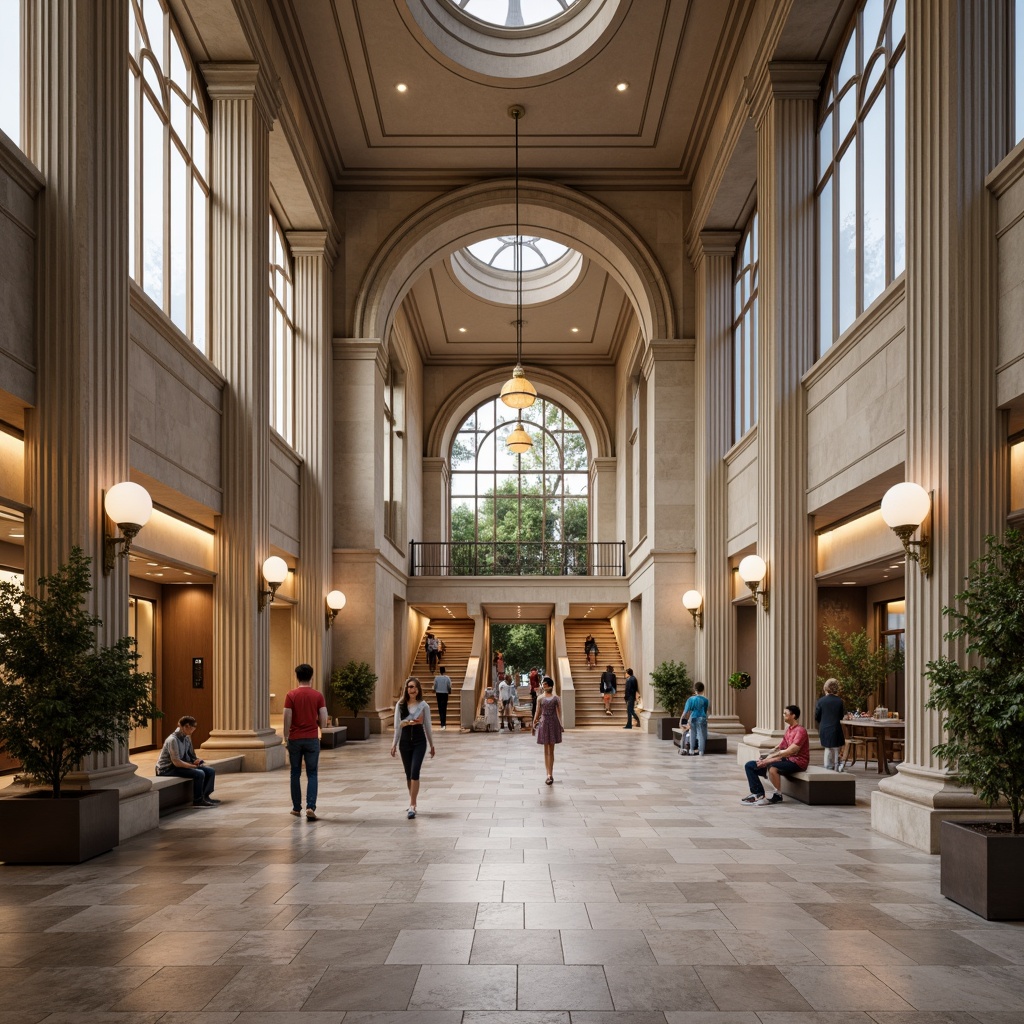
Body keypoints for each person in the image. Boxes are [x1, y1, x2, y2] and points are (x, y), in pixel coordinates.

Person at [283, 662, 329, 821]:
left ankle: (296, 808)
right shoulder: (318, 696)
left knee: (295, 773)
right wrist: (318, 725)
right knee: (312, 773)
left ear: (297, 677)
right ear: (312, 677)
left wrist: (286, 736)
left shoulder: (291, 695)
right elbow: (323, 720)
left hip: (295, 739)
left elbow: (287, 717)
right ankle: (310, 806)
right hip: (311, 739)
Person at [741, 705, 810, 806]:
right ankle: (758, 794)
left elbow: (792, 751)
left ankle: (777, 795)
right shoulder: (789, 729)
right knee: (750, 765)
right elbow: (781, 746)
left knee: (773, 767)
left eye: (785, 714)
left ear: (793, 715)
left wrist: (769, 760)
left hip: (798, 762)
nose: (783, 716)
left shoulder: (801, 731)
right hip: (786, 759)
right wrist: (766, 756)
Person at [391, 677, 435, 818]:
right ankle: (412, 801)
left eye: (415, 687)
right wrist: (393, 744)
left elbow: (427, 726)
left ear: (418, 689)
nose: (412, 689)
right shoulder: (401, 705)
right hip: (404, 743)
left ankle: (412, 805)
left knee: (415, 771)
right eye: (410, 687)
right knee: (408, 774)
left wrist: (432, 744)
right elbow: (397, 726)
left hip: (419, 742)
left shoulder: (424, 706)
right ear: (406, 689)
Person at [155, 715, 218, 807]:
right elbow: (176, 762)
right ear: (187, 726)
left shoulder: (187, 738)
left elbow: (191, 755)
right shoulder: (172, 739)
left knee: (210, 771)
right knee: (199, 773)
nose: (193, 730)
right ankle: (198, 800)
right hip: (167, 769)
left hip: (179, 766)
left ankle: (205, 796)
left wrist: (196, 761)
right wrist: (193, 766)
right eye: (193, 728)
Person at [531, 676, 563, 785]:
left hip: (553, 723)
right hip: (544, 723)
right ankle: (548, 774)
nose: (543, 686)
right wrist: (534, 724)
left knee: (551, 750)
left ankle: (551, 773)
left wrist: (561, 725)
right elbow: (537, 712)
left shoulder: (556, 698)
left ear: (549, 685)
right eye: (543, 684)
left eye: (545, 684)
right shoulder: (540, 698)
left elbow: (559, 713)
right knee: (546, 750)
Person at [815, 677, 846, 771]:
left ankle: (827, 768)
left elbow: (817, 716)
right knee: (836, 748)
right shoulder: (840, 701)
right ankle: (836, 767)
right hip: (836, 727)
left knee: (827, 748)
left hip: (824, 727)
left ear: (825, 688)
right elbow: (841, 716)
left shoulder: (821, 701)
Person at [681, 682, 710, 755]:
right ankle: (701, 751)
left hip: (693, 717)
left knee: (692, 734)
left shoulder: (690, 699)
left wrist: (681, 719)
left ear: (695, 689)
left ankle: (691, 750)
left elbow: (685, 711)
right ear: (703, 690)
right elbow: (705, 710)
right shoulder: (706, 700)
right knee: (701, 735)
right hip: (702, 718)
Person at [433, 665, 453, 731]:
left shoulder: (436, 678)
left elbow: (435, 685)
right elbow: (449, 685)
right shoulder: (447, 678)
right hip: (445, 693)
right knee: (444, 708)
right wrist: (449, 691)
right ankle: (444, 723)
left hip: (438, 693)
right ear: (445, 671)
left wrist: (434, 689)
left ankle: (442, 723)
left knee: (440, 708)